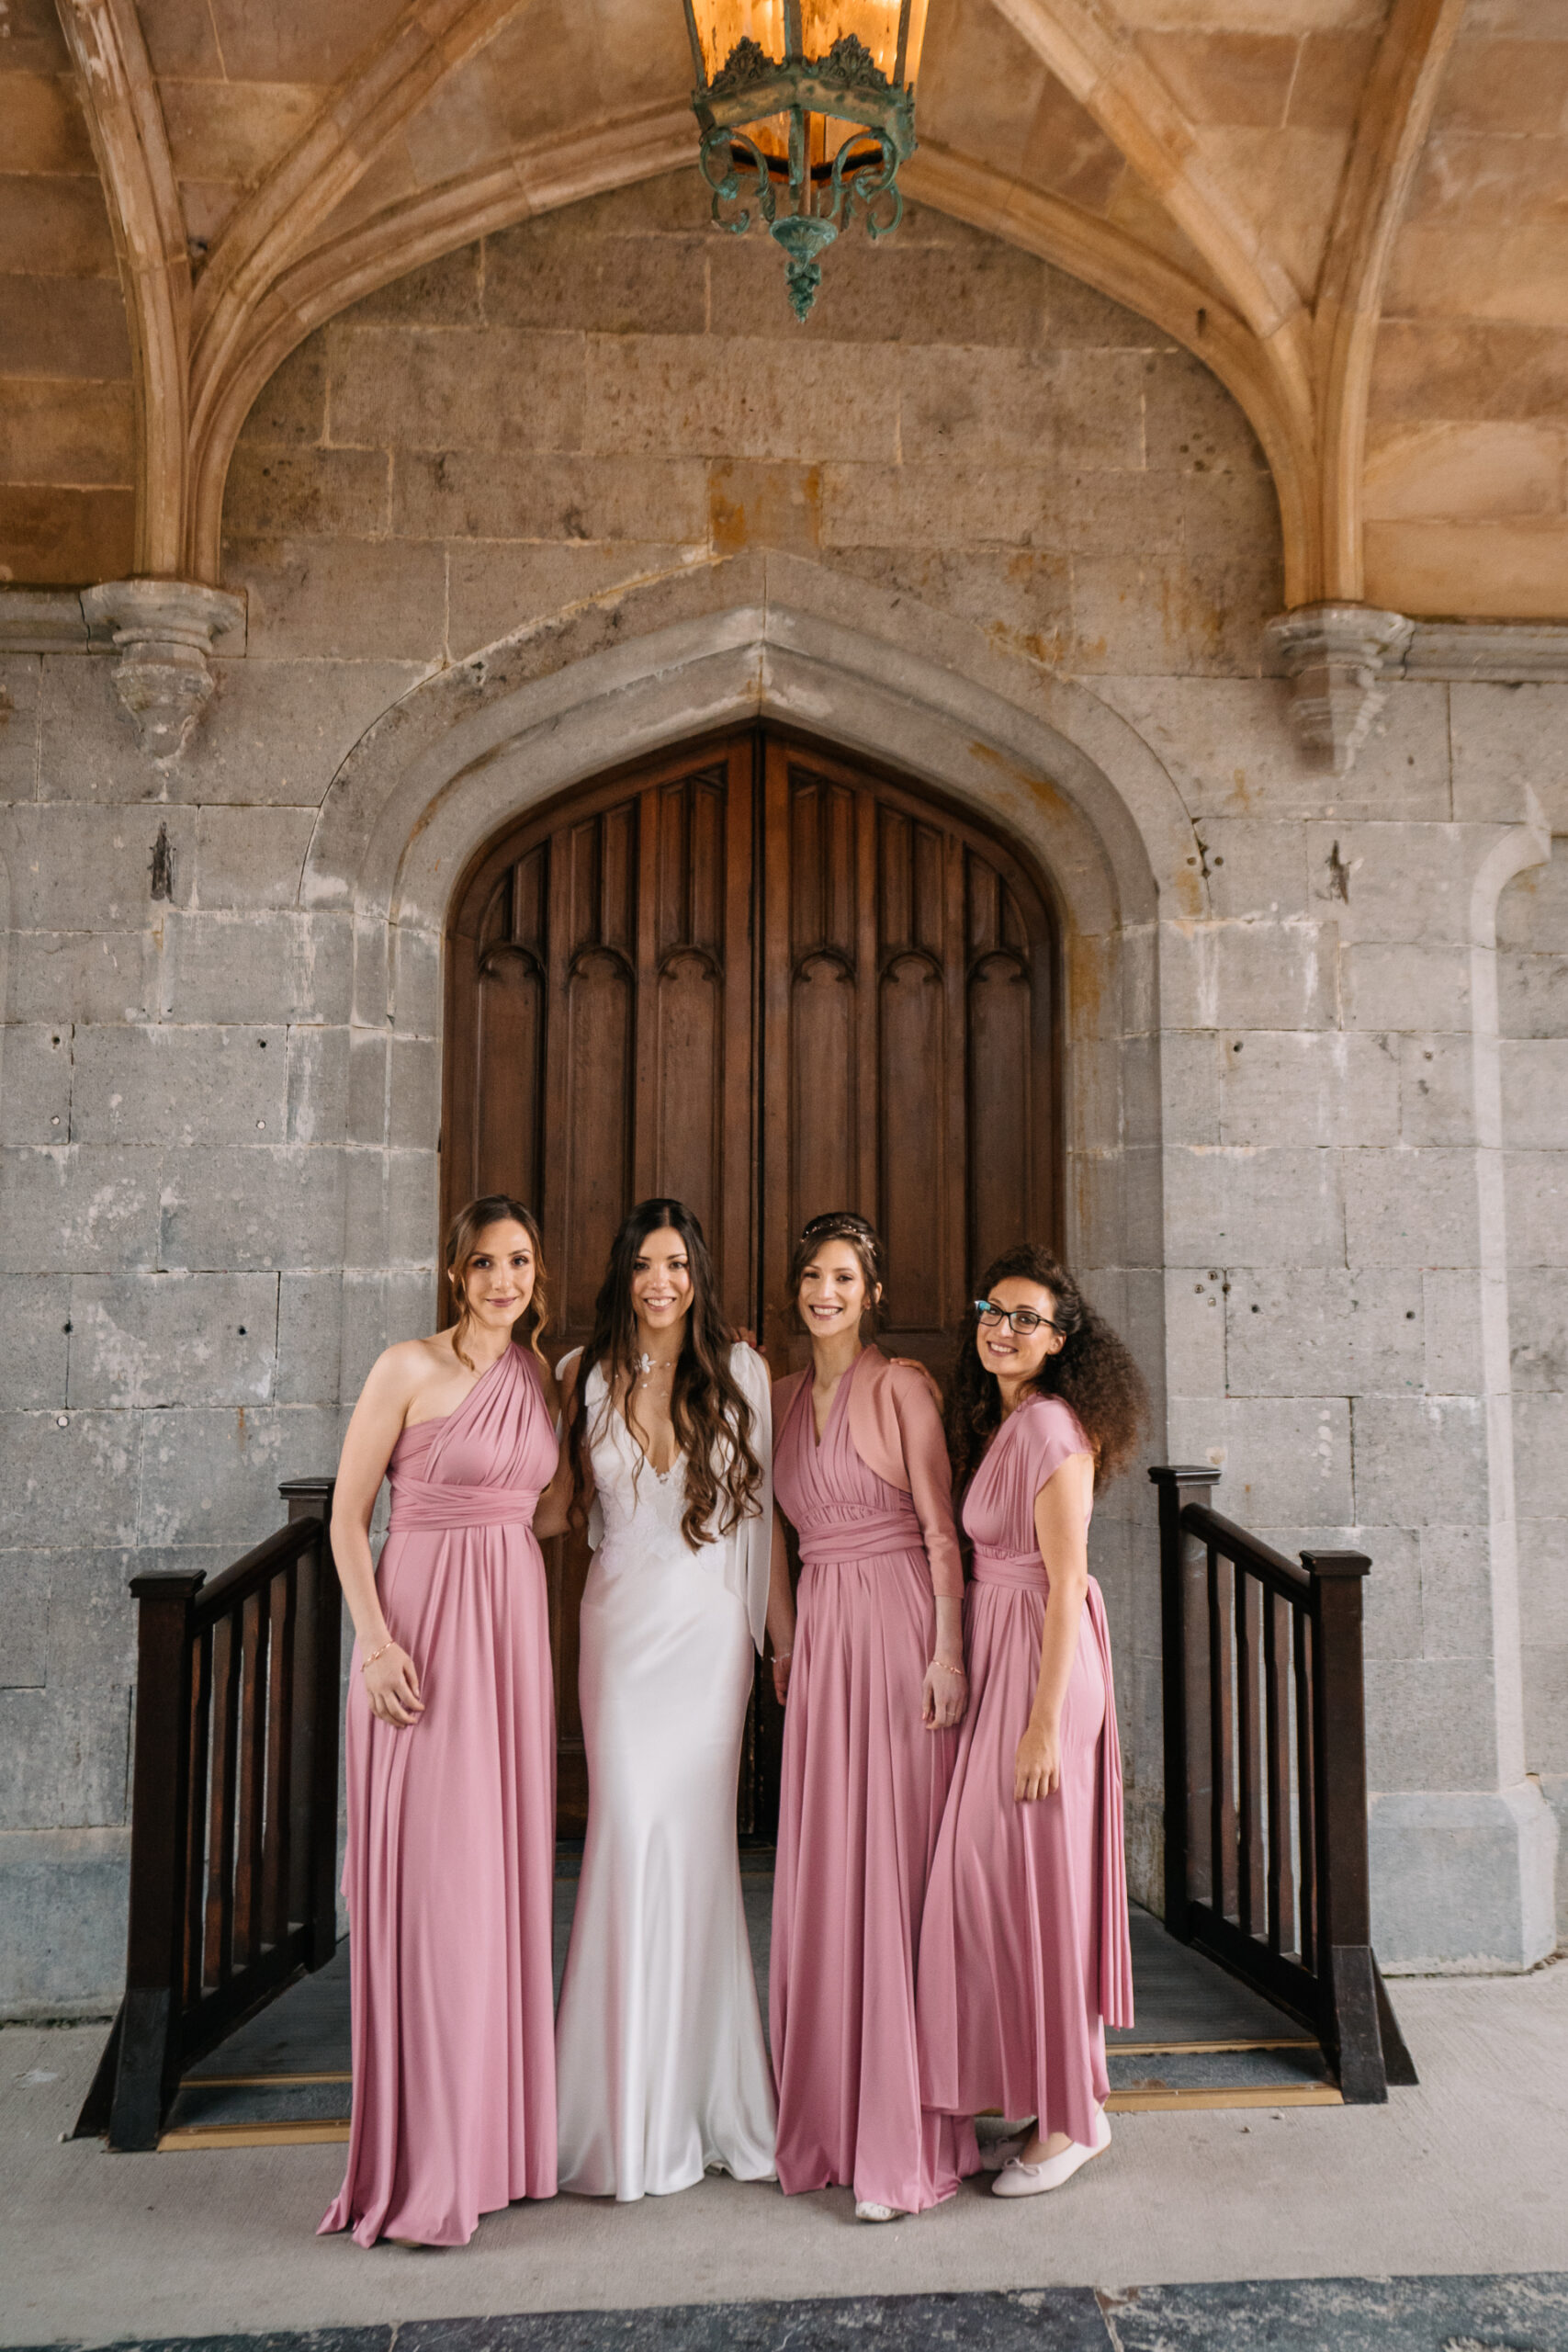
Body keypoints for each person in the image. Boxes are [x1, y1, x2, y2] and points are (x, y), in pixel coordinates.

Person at [320, 1196, 560, 2249]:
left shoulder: (537, 1376)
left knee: (500, 1885)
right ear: (454, 1273)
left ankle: (494, 2148)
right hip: (419, 1635)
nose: (504, 1280)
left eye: (519, 1262)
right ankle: (427, 2160)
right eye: (485, 1264)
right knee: (438, 1892)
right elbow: (343, 1515)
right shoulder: (406, 1367)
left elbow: (547, 1505)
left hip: (510, 1632)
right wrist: (375, 1644)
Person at [549, 1199, 787, 2200]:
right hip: (619, 1633)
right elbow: (554, 1508)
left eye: (678, 1263)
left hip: (706, 1636)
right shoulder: (579, 1374)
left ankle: (706, 2099)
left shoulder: (743, 1373)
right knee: (627, 1829)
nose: (661, 1280)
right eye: (645, 1262)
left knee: (694, 1848)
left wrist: (786, 1641)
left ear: (699, 1273)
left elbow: (763, 1514)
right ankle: (622, 2110)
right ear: (622, 1271)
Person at [917, 1245, 1145, 2199]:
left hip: (1045, 1667)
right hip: (1009, 1654)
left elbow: (1062, 1590)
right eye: (993, 1310)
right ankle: (1046, 2090)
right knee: (992, 1885)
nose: (1003, 1328)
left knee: (1035, 1884)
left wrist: (1046, 1724)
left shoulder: (1053, 1428)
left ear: (1060, 1342)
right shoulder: (1007, 1419)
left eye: (1026, 1319)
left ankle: (1075, 2116)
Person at [767, 1211, 976, 2222]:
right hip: (820, 1640)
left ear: (872, 1290)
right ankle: (827, 2122)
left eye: (844, 1276)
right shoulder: (777, 1398)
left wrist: (948, 1653)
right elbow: (766, 1536)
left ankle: (905, 2137)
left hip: (898, 1634)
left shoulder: (902, 1390)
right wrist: (779, 1635)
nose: (826, 1292)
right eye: (812, 1275)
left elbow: (943, 1534)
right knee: (827, 1872)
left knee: (892, 1871)